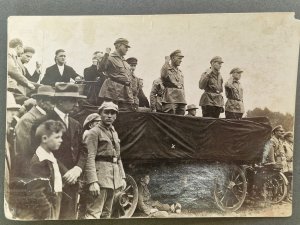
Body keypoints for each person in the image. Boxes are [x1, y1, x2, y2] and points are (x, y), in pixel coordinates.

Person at [33, 83, 88, 219]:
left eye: (77, 100)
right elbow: (39, 151)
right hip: (51, 182)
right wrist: (66, 172)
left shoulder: (76, 124)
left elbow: (83, 149)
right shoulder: (43, 122)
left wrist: (78, 169)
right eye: (72, 100)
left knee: (69, 217)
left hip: (73, 182)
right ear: (60, 101)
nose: (76, 104)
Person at [83, 101, 126, 219]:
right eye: (106, 112)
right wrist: (92, 181)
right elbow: (89, 158)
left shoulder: (113, 132)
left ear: (116, 116)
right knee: (93, 213)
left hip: (113, 179)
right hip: (99, 179)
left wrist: (122, 177)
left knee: (107, 214)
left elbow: (118, 157)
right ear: (100, 114)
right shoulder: (94, 132)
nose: (109, 116)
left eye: (113, 113)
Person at [14, 85, 55, 177]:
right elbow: (26, 150)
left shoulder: (45, 117)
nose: (54, 105)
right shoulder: (28, 120)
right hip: (30, 170)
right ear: (41, 101)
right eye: (52, 101)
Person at [29, 120, 66, 219]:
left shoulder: (50, 155)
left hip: (56, 200)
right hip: (47, 208)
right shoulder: (40, 160)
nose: (61, 140)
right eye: (57, 137)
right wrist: (47, 210)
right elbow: (37, 191)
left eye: (61, 137)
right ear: (45, 138)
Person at [98, 38, 134, 111]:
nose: (127, 49)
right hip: (112, 93)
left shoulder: (124, 61)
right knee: (111, 113)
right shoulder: (109, 57)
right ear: (118, 46)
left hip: (124, 93)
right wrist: (106, 54)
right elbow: (101, 68)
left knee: (123, 115)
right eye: (125, 47)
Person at [7, 38, 36, 104]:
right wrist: (28, 83)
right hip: (11, 90)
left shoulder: (12, 55)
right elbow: (13, 70)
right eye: (22, 49)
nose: (22, 51)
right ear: (19, 47)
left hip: (14, 90)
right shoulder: (9, 54)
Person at [160, 50, 186, 115]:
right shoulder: (166, 69)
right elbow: (163, 75)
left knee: (181, 120)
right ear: (173, 58)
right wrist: (166, 62)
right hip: (170, 98)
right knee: (170, 118)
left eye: (181, 58)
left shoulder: (180, 72)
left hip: (181, 99)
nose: (181, 60)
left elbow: (182, 86)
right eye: (179, 58)